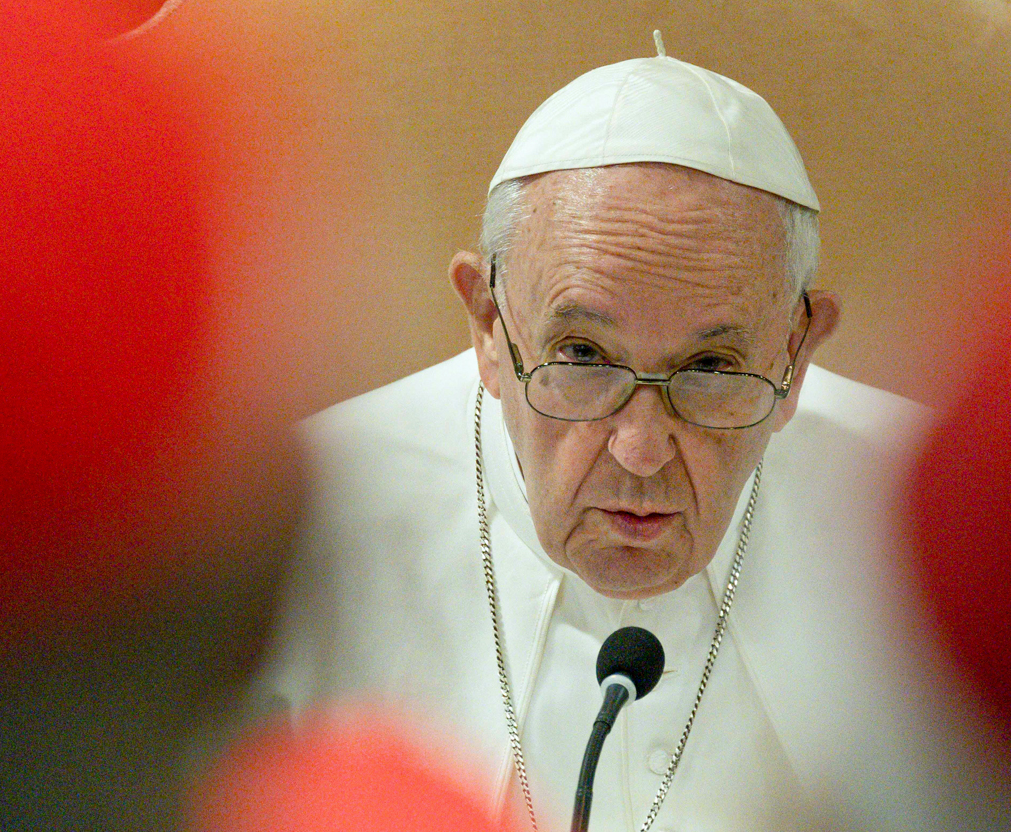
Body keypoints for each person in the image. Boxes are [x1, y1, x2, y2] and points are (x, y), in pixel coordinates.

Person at [256, 42, 936, 831]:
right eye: (581, 357)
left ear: (795, 352)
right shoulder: (294, 525)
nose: (640, 450)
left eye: (712, 367)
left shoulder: (931, 522)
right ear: (487, 323)